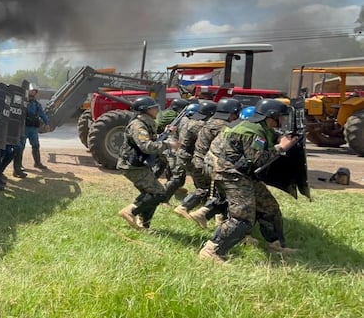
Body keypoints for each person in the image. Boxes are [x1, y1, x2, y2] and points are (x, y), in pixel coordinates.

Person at [198, 99, 299, 263]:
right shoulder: (252, 132)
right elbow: (258, 160)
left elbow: (270, 138)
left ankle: (276, 246)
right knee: (242, 218)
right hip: (228, 172)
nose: (283, 120)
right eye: (281, 116)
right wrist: (281, 147)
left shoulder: (259, 126)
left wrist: (281, 138)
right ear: (271, 116)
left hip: (238, 171)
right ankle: (211, 250)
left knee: (269, 207)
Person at [117, 97, 180, 230]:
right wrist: (168, 144)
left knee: (151, 194)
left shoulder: (146, 123)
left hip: (138, 165)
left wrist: (165, 134)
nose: (157, 110)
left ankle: (144, 225)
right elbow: (146, 146)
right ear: (145, 110)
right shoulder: (138, 125)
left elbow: (149, 139)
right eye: (154, 107)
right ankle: (130, 211)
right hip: (132, 166)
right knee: (158, 194)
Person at [179, 98, 242, 228]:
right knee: (214, 191)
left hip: (201, 160)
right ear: (232, 113)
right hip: (210, 163)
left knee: (215, 192)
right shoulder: (222, 126)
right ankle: (199, 212)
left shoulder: (210, 122)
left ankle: (217, 219)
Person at [15, 86, 50, 175]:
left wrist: (47, 123)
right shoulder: (21, 102)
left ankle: (37, 163)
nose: (33, 93)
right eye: (31, 91)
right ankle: (19, 166)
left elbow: (42, 114)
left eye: (34, 92)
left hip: (33, 129)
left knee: (36, 145)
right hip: (24, 127)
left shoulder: (37, 104)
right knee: (21, 147)